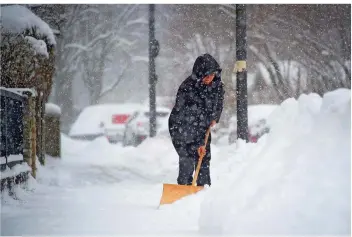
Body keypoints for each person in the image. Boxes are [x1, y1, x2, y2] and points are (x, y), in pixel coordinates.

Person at [168, 53, 225, 186]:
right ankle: (183, 190)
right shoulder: (188, 89)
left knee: (204, 158)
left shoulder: (217, 85)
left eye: (212, 75)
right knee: (187, 158)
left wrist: (215, 117)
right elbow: (191, 119)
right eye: (206, 75)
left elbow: (219, 102)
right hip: (180, 127)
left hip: (202, 125)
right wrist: (198, 143)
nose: (209, 78)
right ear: (199, 74)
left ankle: (203, 189)